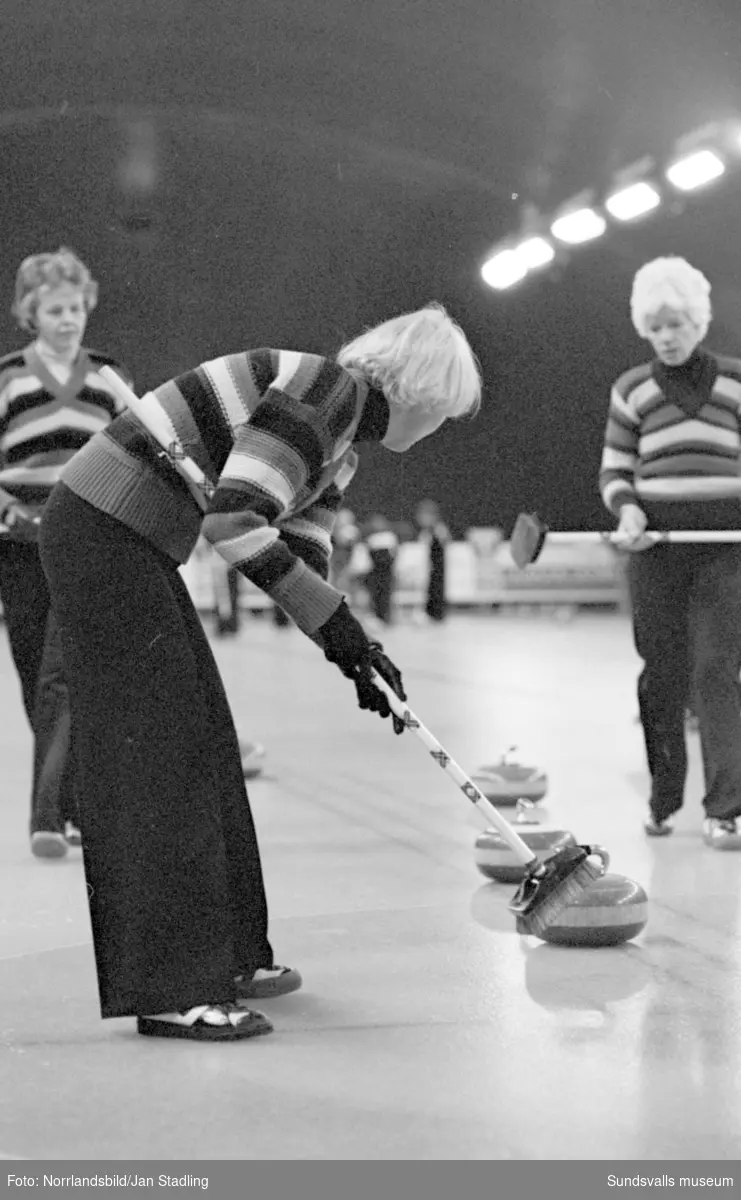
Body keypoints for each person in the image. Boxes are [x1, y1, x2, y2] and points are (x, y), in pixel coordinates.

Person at [38, 302, 482, 1042]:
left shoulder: (338, 442)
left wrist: (356, 654)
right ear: (420, 392)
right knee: (160, 759)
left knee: (209, 744)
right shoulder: (324, 394)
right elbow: (236, 522)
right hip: (102, 533)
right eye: (442, 413)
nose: (437, 428)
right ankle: (170, 989)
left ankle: (232, 955)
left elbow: (300, 552)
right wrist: (339, 627)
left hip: (134, 542)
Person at [599, 255, 741, 849]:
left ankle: (726, 808)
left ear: (699, 321)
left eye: (676, 324)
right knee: (662, 675)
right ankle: (664, 798)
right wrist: (628, 510)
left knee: (716, 670)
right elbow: (614, 470)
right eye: (655, 327)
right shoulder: (630, 389)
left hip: (726, 550)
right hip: (656, 550)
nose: (666, 337)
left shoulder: (736, 382)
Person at [0, 247, 131, 859]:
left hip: (82, 546)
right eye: (54, 309)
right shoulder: (8, 380)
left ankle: (48, 817)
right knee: (37, 680)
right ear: (31, 312)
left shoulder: (109, 379)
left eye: (75, 308)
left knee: (63, 679)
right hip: (19, 548)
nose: (67, 319)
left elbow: (138, 452)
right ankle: (75, 802)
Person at [415, 498, 451, 622]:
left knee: (436, 589)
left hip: (437, 567)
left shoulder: (439, 528)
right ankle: (430, 613)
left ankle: (436, 614)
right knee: (430, 589)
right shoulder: (428, 531)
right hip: (430, 566)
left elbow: (444, 543)